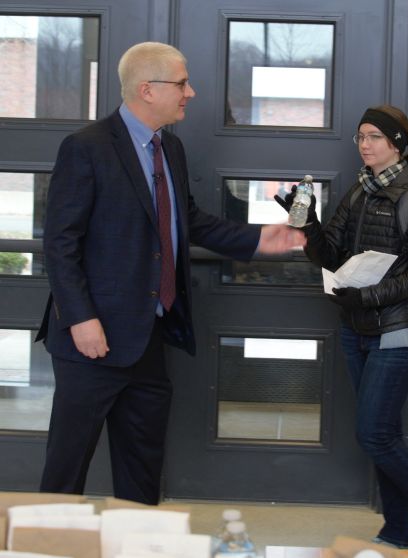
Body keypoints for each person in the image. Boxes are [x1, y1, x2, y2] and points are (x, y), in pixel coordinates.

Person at [36, 42, 305, 505]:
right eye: (181, 83)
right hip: (90, 342)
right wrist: (80, 319)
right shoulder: (86, 148)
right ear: (147, 89)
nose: (191, 92)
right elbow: (60, 244)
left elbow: (189, 220)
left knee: (142, 472)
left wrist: (260, 240)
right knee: (66, 470)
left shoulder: (170, 149)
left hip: (149, 338)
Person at [276, 104, 408, 551]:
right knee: (382, 433)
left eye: (374, 138)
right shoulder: (359, 191)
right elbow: (331, 257)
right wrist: (307, 225)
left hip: (399, 330)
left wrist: (365, 296)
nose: (365, 145)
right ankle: (398, 531)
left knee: (375, 434)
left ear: (397, 144)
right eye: (360, 137)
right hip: (356, 329)